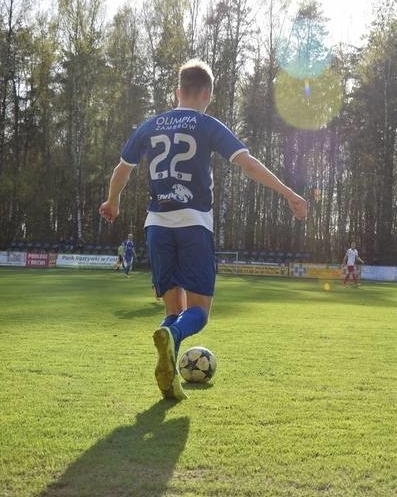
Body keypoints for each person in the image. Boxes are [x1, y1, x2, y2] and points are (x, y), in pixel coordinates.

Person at [99, 59, 308, 401]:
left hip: (157, 226)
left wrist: (112, 202)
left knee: (172, 310)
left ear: (177, 91)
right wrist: (289, 193)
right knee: (198, 312)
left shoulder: (150, 126)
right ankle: (172, 337)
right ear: (207, 94)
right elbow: (248, 164)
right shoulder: (208, 125)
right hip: (194, 224)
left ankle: (169, 367)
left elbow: (122, 169)